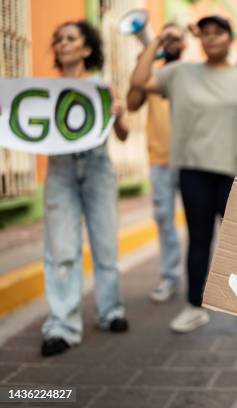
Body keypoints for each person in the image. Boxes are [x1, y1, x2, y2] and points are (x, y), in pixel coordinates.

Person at [128, 15, 237, 335]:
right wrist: (158, 43)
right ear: (199, 39)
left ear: (230, 39)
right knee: (199, 240)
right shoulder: (180, 73)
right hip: (194, 169)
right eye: (206, 34)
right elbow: (137, 82)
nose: (212, 38)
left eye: (219, 33)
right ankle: (194, 306)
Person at [41, 20, 130, 357]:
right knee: (61, 248)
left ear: (86, 48)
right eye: (58, 39)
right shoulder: (42, 90)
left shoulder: (102, 86)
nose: (63, 44)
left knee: (105, 243)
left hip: (97, 169)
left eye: (70, 38)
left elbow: (122, 135)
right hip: (60, 170)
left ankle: (111, 311)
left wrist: (118, 115)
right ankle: (62, 325)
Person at [127, 23, 186, 303]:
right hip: (160, 158)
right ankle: (170, 277)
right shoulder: (151, 74)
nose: (172, 41)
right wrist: (152, 50)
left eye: (177, 37)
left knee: (201, 223)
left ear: (185, 43)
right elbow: (131, 102)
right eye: (167, 36)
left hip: (191, 159)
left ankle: (203, 280)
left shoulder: (191, 71)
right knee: (164, 220)